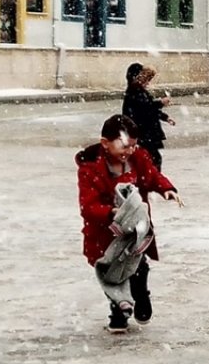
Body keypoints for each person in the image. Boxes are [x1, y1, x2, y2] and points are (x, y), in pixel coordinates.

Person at [76, 114, 183, 334]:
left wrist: (166, 189)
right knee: (112, 273)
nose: (129, 151)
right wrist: (113, 213)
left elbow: (152, 177)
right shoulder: (90, 169)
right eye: (125, 145)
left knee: (138, 266)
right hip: (105, 233)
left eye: (133, 146)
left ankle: (141, 294)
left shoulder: (138, 158)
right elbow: (88, 206)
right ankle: (119, 311)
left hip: (135, 230)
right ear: (105, 143)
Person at [121, 65, 174, 169]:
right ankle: (152, 180)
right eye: (146, 79)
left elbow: (150, 109)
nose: (148, 83)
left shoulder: (139, 92)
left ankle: (151, 179)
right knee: (152, 159)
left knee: (152, 159)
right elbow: (146, 108)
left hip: (144, 133)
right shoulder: (134, 92)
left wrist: (165, 117)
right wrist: (161, 103)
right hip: (143, 133)